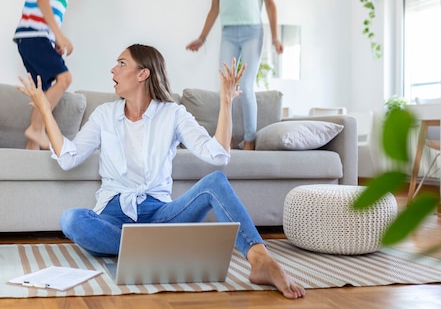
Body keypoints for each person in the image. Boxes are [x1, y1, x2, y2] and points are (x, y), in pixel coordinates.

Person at [16, 44, 306, 299]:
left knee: (214, 182)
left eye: (121, 63)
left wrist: (227, 102)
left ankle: (261, 260)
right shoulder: (104, 115)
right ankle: (157, 250)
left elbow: (217, 155)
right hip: (113, 216)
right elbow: (68, 157)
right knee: (72, 219)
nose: (112, 70)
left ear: (143, 73)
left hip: (160, 215)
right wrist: (44, 108)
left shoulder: (173, 113)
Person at [186, 0, 283, 151]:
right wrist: (202, 37)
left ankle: (250, 140)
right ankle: (226, 137)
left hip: (253, 32)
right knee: (225, 87)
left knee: (246, 86)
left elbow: (270, 4)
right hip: (228, 34)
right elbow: (214, 8)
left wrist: (276, 37)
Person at [13, 0, 90, 150]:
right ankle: (36, 129)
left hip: (32, 38)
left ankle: (31, 149)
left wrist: (52, 37)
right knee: (64, 78)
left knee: (42, 92)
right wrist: (59, 35)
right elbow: (43, 0)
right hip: (33, 36)